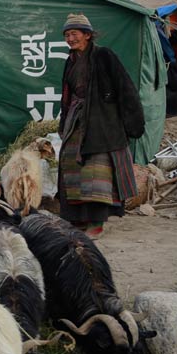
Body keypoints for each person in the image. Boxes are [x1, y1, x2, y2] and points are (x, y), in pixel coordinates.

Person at [57, 13, 144, 238]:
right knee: (71, 166)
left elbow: (125, 88)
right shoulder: (71, 61)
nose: (70, 39)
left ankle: (96, 222)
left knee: (97, 173)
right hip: (77, 120)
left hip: (101, 122)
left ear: (87, 35)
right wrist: (64, 120)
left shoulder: (104, 55)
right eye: (67, 35)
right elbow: (67, 95)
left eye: (74, 34)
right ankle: (78, 219)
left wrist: (133, 122)